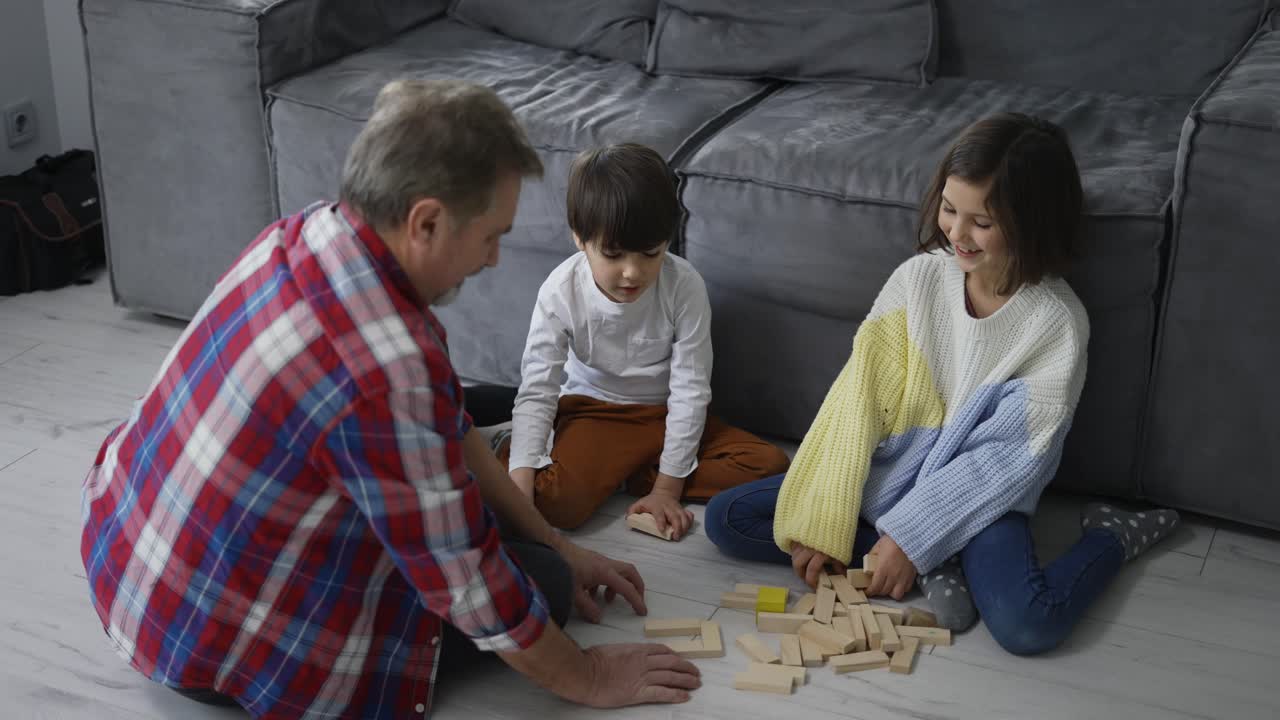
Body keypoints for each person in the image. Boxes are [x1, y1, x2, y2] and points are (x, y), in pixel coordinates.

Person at [79, 79, 701, 719]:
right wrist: (588, 676)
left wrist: (561, 541)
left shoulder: (302, 234)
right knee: (535, 582)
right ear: (426, 222)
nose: (492, 259)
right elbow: (467, 580)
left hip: (128, 568)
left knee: (525, 524)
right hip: (207, 648)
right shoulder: (386, 373)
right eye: (491, 236)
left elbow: (442, 416)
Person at [703, 113, 1180, 655]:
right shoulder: (918, 280)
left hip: (979, 498)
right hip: (891, 474)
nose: (956, 233)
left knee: (1030, 626)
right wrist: (822, 517)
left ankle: (1110, 537)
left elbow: (1011, 458)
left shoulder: (1056, 324)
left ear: (1032, 222)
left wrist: (911, 536)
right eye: (950, 209)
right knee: (728, 519)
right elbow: (855, 399)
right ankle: (931, 557)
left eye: (982, 221)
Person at [495, 143, 790, 539]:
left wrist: (667, 490)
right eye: (614, 254)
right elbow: (538, 389)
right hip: (596, 413)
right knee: (556, 502)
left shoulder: (683, 286)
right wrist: (520, 480)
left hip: (664, 414)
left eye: (650, 253)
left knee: (768, 464)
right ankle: (515, 449)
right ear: (580, 238)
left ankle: (630, 473)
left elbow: (690, 389)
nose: (632, 272)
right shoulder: (560, 291)